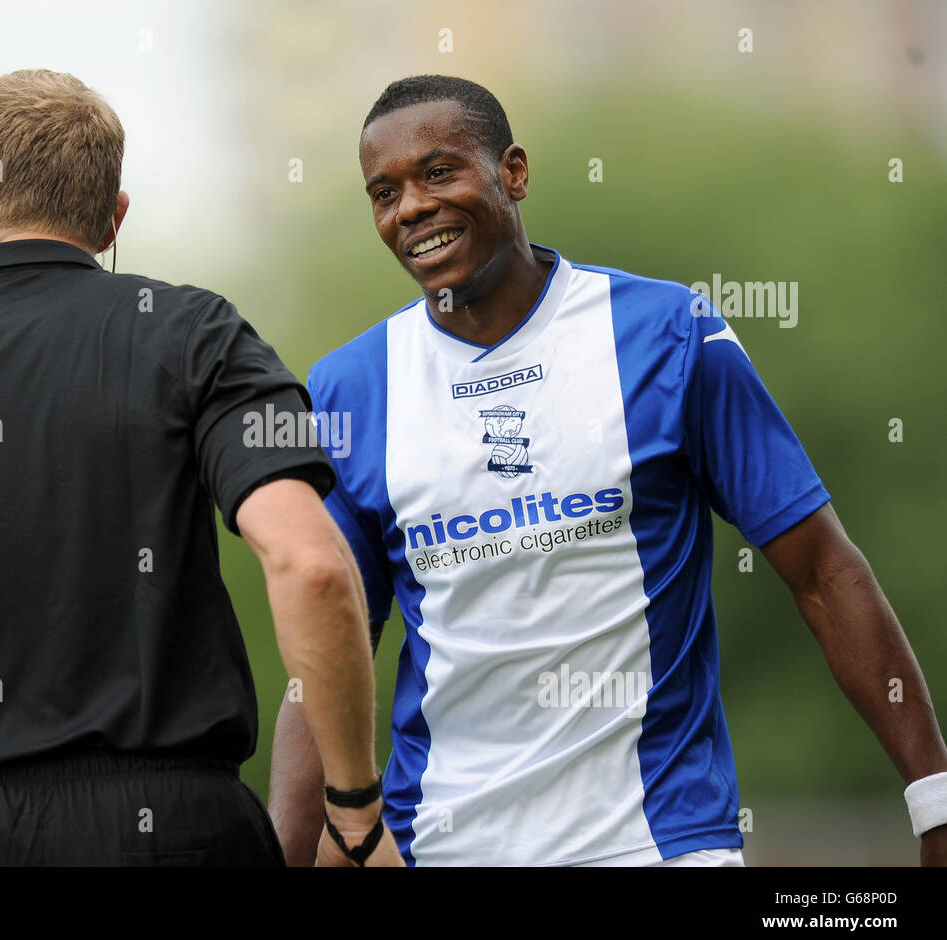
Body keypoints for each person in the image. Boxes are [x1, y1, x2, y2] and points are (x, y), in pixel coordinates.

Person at [268, 74, 947, 867]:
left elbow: (823, 572)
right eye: (384, 192)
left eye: (439, 172)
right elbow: (328, 642)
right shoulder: (352, 387)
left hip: (659, 842)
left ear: (513, 172)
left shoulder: (668, 334)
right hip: (445, 847)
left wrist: (934, 800)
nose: (410, 207)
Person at [0, 69, 401, 867]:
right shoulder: (197, 336)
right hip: (183, 834)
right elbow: (310, 565)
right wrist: (356, 812)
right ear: (113, 219)